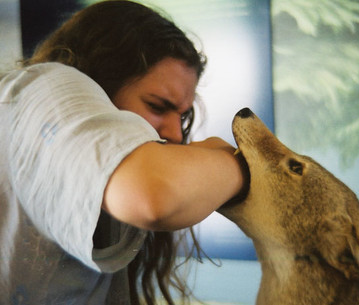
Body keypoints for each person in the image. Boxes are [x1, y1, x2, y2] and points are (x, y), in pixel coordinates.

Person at [0, 1, 248, 304]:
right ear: (99, 81)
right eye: (158, 106)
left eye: (182, 118)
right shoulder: (45, 87)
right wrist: (239, 162)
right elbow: (154, 194)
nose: (176, 134)